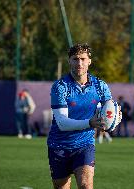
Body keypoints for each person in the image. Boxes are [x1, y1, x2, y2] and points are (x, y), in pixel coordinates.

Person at [47, 43, 121, 189]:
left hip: (84, 144)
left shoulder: (100, 86)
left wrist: (115, 118)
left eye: (82, 58)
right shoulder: (60, 87)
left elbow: (109, 108)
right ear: (69, 61)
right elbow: (62, 123)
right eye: (75, 59)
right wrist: (91, 123)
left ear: (89, 61)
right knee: (61, 187)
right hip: (59, 146)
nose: (79, 63)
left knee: (86, 185)